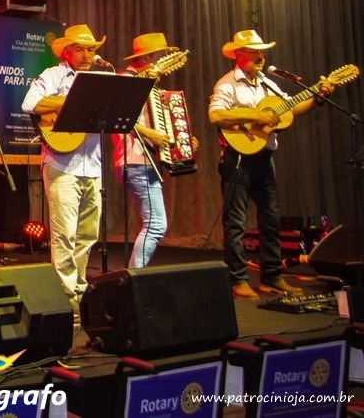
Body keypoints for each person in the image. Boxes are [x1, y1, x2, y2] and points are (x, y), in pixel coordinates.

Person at [208, 29, 332, 299]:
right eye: (254, 52)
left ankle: (271, 277)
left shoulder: (268, 84)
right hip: (237, 159)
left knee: (270, 220)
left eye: (262, 52)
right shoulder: (227, 84)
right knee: (236, 223)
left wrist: (316, 97)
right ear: (239, 55)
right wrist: (256, 116)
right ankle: (237, 279)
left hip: (264, 157)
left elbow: (291, 109)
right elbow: (216, 116)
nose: (260, 56)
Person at [22, 24, 106, 312]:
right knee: (64, 235)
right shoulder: (54, 75)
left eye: (91, 50)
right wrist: (69, 102)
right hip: (62, 165)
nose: (87, 55)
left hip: (93, 165)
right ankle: (67, 300)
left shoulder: (99, 79)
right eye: (80, 49)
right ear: (67, 52)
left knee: (87, 235)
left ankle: (79, 292)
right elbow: (30, 104)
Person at [112, 32, 179, 268]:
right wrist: (151, 134)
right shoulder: (127, 81)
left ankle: (135, 274)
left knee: (154, 223)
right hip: (136, 159)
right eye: (161, 56)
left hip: (146, 160)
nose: (164, 61)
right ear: (147, 58)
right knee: (156, 224)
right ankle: (135, 275)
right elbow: (119, 117)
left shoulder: (147, 84)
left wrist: (179, 142)